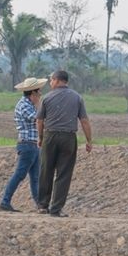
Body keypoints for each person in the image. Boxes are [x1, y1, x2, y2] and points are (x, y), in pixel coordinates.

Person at [35, 69, 93, 217]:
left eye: (51, 80)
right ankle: (56, 208)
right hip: (68, 138)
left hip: (50, 136)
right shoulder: (77, 97)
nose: (50, 82)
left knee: (46, 170)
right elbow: (84, 121)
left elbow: (40, 120)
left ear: (58, 80)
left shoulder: (46, 98)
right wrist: (88, 140)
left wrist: (40, 137)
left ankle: (42, 205)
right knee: (64, 173)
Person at [0, 76, 45, 212]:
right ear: (33, 93)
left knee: (34, 177)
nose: (40, 95)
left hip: (32, 144)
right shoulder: (24, 105)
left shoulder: (28, 104)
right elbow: (38, 119)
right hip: (27, 145)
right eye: (39, 92)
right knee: (20, 174)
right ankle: (5, 201)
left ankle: (39, 204)